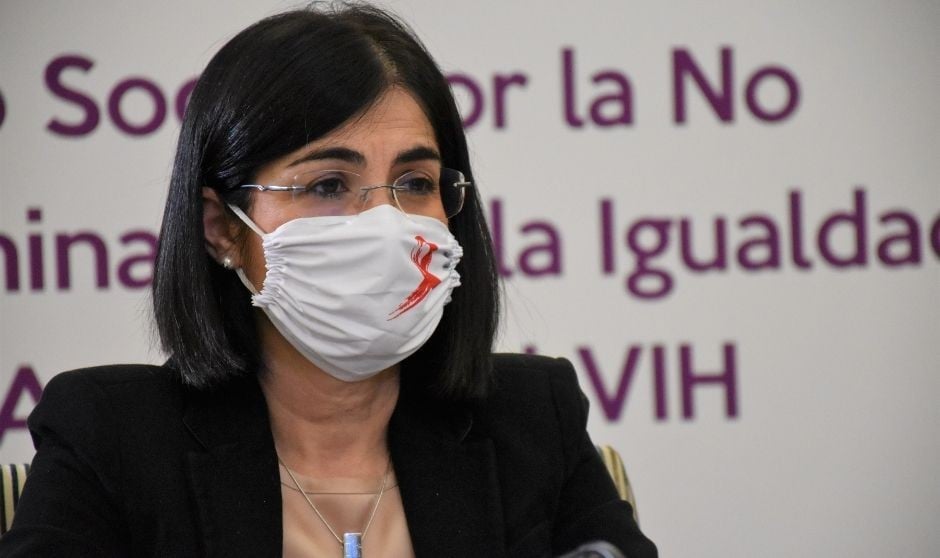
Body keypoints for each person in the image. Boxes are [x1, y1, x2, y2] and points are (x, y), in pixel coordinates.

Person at [0, 4, 657, 557]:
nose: (384, 224)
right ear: (222, 228)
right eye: (328, 185)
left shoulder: (534, 419)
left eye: (415, 182)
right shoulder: (111, 439)